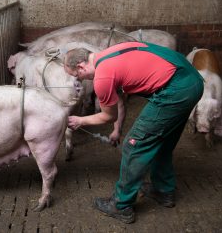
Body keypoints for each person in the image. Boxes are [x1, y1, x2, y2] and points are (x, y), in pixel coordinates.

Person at [64, 41, 204, 223]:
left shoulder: (102, 77)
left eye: (79, 76)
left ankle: (121, 205)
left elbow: (108, 116)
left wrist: (80, 120)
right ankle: (163, 191)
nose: (82, 80)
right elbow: (120, 100)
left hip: (175, 90)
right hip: (192, 79)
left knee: (134, 145)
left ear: (81, 66)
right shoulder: (109, 53)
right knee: (162, 140)